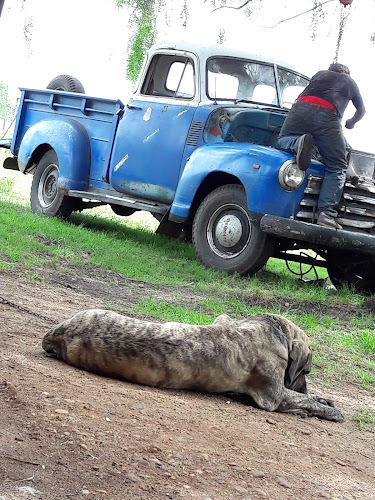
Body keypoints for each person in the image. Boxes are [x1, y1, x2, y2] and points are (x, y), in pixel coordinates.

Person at [277, 63, 366, 230]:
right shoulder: (349, 81)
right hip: (327, 117)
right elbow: (361, 111)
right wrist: (351, 123)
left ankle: (298, 143)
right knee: (337, 166)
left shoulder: (319, 75)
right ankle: (326, 214)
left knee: (283, 139)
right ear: (346, 74)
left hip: (300, 107)